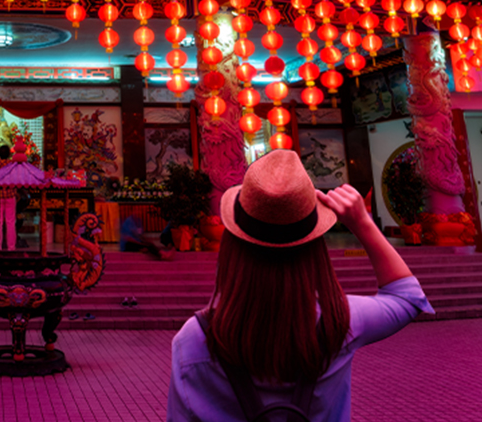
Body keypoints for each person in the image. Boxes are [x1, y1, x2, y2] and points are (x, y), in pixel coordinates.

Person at [167, 150, 434, 422]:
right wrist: (362, 223)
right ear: (315, 246)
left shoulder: (195, 339)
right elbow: (408, 297)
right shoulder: (340, 323)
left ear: (232, 246)